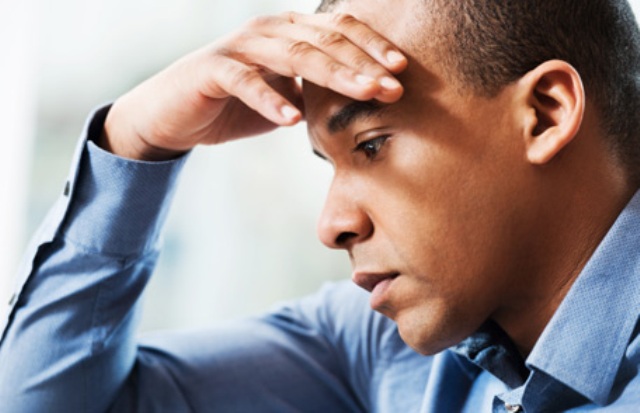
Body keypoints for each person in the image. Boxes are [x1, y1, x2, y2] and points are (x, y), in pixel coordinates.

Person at [1, 0, 639, 411]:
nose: (333, 226)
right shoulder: (380, 345)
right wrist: (135, 140)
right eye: (328, 164)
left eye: (371, 145)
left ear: (545, 113)